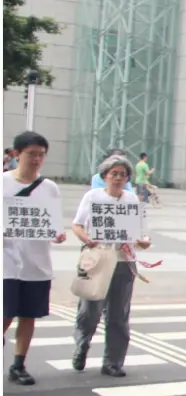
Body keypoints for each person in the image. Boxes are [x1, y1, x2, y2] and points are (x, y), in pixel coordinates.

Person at [71, 155, 150, 377]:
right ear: (104, 175)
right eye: (113, 174)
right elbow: (77, 225)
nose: (118, 178)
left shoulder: (132, 200)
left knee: (118, 314)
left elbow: (142, 232)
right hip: (97, 259)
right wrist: (87, 239)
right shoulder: (93, 197)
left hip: (124, 261)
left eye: (122, 175)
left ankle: (113, 361)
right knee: (89, 310)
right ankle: (82, 345)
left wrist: (143, 241)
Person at [3, 131, 66, 385]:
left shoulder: (49, 188)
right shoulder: (3, 183)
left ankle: (19, 364)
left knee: (28, 315)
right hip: (6, 263)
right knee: (5, 314)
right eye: (31, 154)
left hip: (36, 264)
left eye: (41, 155)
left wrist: (58, 235)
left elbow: (54, 224)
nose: (37, 159)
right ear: (16, 154)